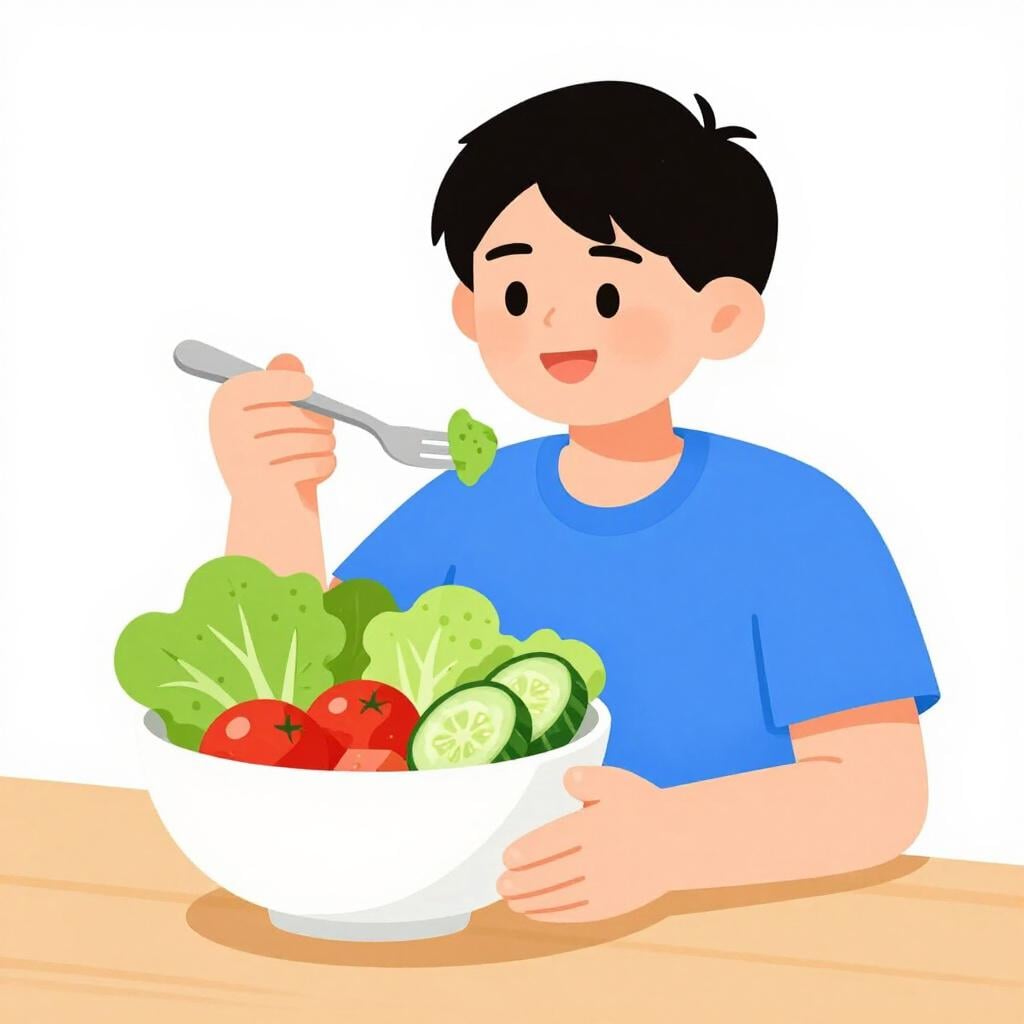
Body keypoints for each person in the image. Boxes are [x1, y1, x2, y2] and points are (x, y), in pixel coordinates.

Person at [209, 81, 939, 923]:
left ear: (725, 315)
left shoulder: (798, 523)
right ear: (472, 313)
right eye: (515, 294)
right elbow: (299, 704)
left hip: (745, 931)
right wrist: (272, 499)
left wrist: (670, 843)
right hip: (470, 919)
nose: (554, 322)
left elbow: (880, 796)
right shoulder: (468, 502)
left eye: (606, 293)